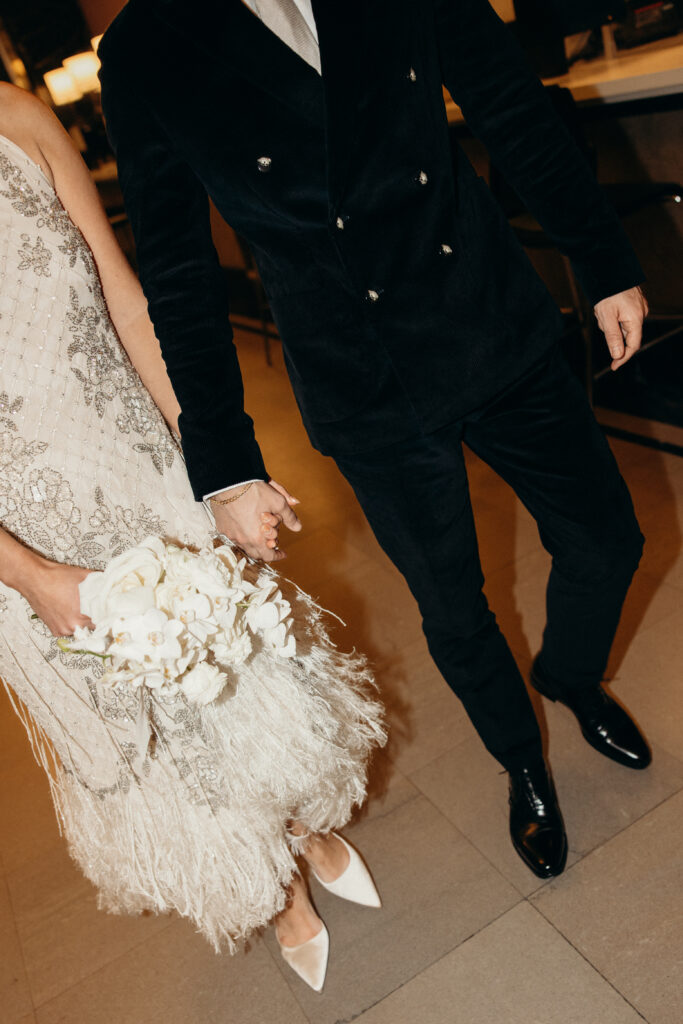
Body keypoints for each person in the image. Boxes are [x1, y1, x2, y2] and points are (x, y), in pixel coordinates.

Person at [98, 0, 651, 882]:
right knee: (453, 603)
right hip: (359, 374)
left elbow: (507, 100)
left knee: (607, 538)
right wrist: (226, 460)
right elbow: (177, 269)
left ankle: (570, 676)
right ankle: (520, 759)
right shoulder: (144, 47)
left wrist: (602, 258)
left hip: (483, 310)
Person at [0, 82, 387, 993]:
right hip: (23, 542)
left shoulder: (17, 116)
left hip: (134, 459)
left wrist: (217, 472)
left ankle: (295, 826)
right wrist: (33, 577)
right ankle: (279, 895)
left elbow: (130, 307)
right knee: (150, 730)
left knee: (235, 672)